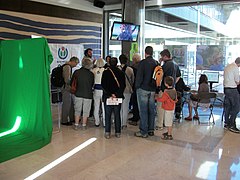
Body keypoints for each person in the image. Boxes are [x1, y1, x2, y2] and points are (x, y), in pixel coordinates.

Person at [134, 46, 157, 138]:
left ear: (145, 53)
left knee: (143, 111)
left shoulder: (143, 63)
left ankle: (143, 131)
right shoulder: (156, 63)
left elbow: (139, 77)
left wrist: (137, 87)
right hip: (152, 90)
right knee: (151, 110)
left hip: (143, 89)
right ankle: (151, 129)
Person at [156, 49, 181, 130]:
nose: (161, 58)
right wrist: (173, 84)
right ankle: (166, 123)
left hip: (164, 89)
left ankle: (160, 124)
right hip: (172, 89)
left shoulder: (166, 64)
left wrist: (159, 63)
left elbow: (159, 74)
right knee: (169, 107)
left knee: (161, 107)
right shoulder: (175, 64)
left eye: (162, 57)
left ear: (165, 56)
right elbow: (178, 76)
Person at [101, 57, 126, 139]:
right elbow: (123, 86)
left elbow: (103, 85)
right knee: (117, 114)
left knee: (107, 115)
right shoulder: (121, 73)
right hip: (117, 97)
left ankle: (107, 132)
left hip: (108, 97)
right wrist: (116, 94)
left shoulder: (105, 72)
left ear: (109, 63)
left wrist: (110, 94)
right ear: (116, 63)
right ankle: (118, 132)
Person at [72, 57, 94, 130]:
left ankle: (76, 124)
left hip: (78, 93)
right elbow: (92, 84)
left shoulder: (76, 72)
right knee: (86, 110)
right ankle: (84, 125)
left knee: (77, 109)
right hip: (88, 94)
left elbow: (72, 82)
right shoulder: (91, 74)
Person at [223, 57, 240, 133]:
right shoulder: (235, 68)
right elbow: (237, 82)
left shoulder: (228, 66)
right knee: (237, 107)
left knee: (228, 107)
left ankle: (226, 123)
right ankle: (232, 124)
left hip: (226, 89)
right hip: (232, 89)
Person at [61, 56, 79, 126]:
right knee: (66, 105)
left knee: (71, 104)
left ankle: (72, 118)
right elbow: (67, 80)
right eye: (76, 63)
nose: (76, 65)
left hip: (68, 88)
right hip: (66, 88)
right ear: (73, 61)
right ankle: (64, 120)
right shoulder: (67, 67)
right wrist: (73, 82)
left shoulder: (68, 67)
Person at [118, 54, 134, 129]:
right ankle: (124, 123)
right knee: (125, 107)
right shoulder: (130, 70)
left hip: (119, 90)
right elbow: (132, 80)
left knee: (119, 107)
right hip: (127, 90)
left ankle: (119, 121)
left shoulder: (117, 69)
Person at [92, 58, 105, 127]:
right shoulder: (105, 71)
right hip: (103, 90)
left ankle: (97, 122)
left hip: (96, 89)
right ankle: (105, 122)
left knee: (96, 106)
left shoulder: (93, 70)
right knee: (104, 106)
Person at [129, 53, 141, 126]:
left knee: (135, 103)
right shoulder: (142, 65)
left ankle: (135, 118)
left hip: (135, 87)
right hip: (141, 87)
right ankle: (137, 117)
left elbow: (132, 79)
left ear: (135, 60)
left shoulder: (133, 67)